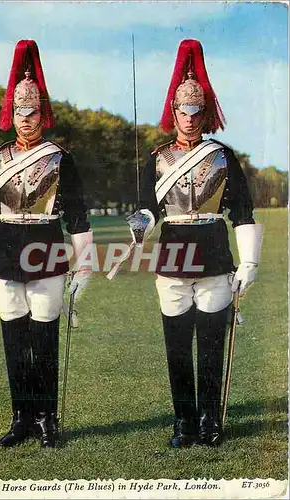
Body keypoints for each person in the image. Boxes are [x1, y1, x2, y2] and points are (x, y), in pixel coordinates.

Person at [0, 40, 92, 448]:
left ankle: (47, 418)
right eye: (19, 111)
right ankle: (21, 417)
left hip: (47, 247)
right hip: (7, 249)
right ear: (11, 114)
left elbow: (78, 216)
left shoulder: (60, 158)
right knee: (13, 338)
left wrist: (85, 266)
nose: (26, 119)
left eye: (32, 112)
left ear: (42, 115)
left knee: (44, 338)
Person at [137, 39, 263, 448]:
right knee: (177, 347)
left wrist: (249, 264)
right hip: (172, 257)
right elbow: (147, 207)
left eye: (196, 111)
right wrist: (140, 223)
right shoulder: (156, 158)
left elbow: (243, 211)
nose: (189, 118)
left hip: (214, 256)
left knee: (210, 344)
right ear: (173, 113)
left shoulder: (224, 157)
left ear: (204, 114)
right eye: (182, 110)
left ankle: (210, 419)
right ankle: (183, 421)